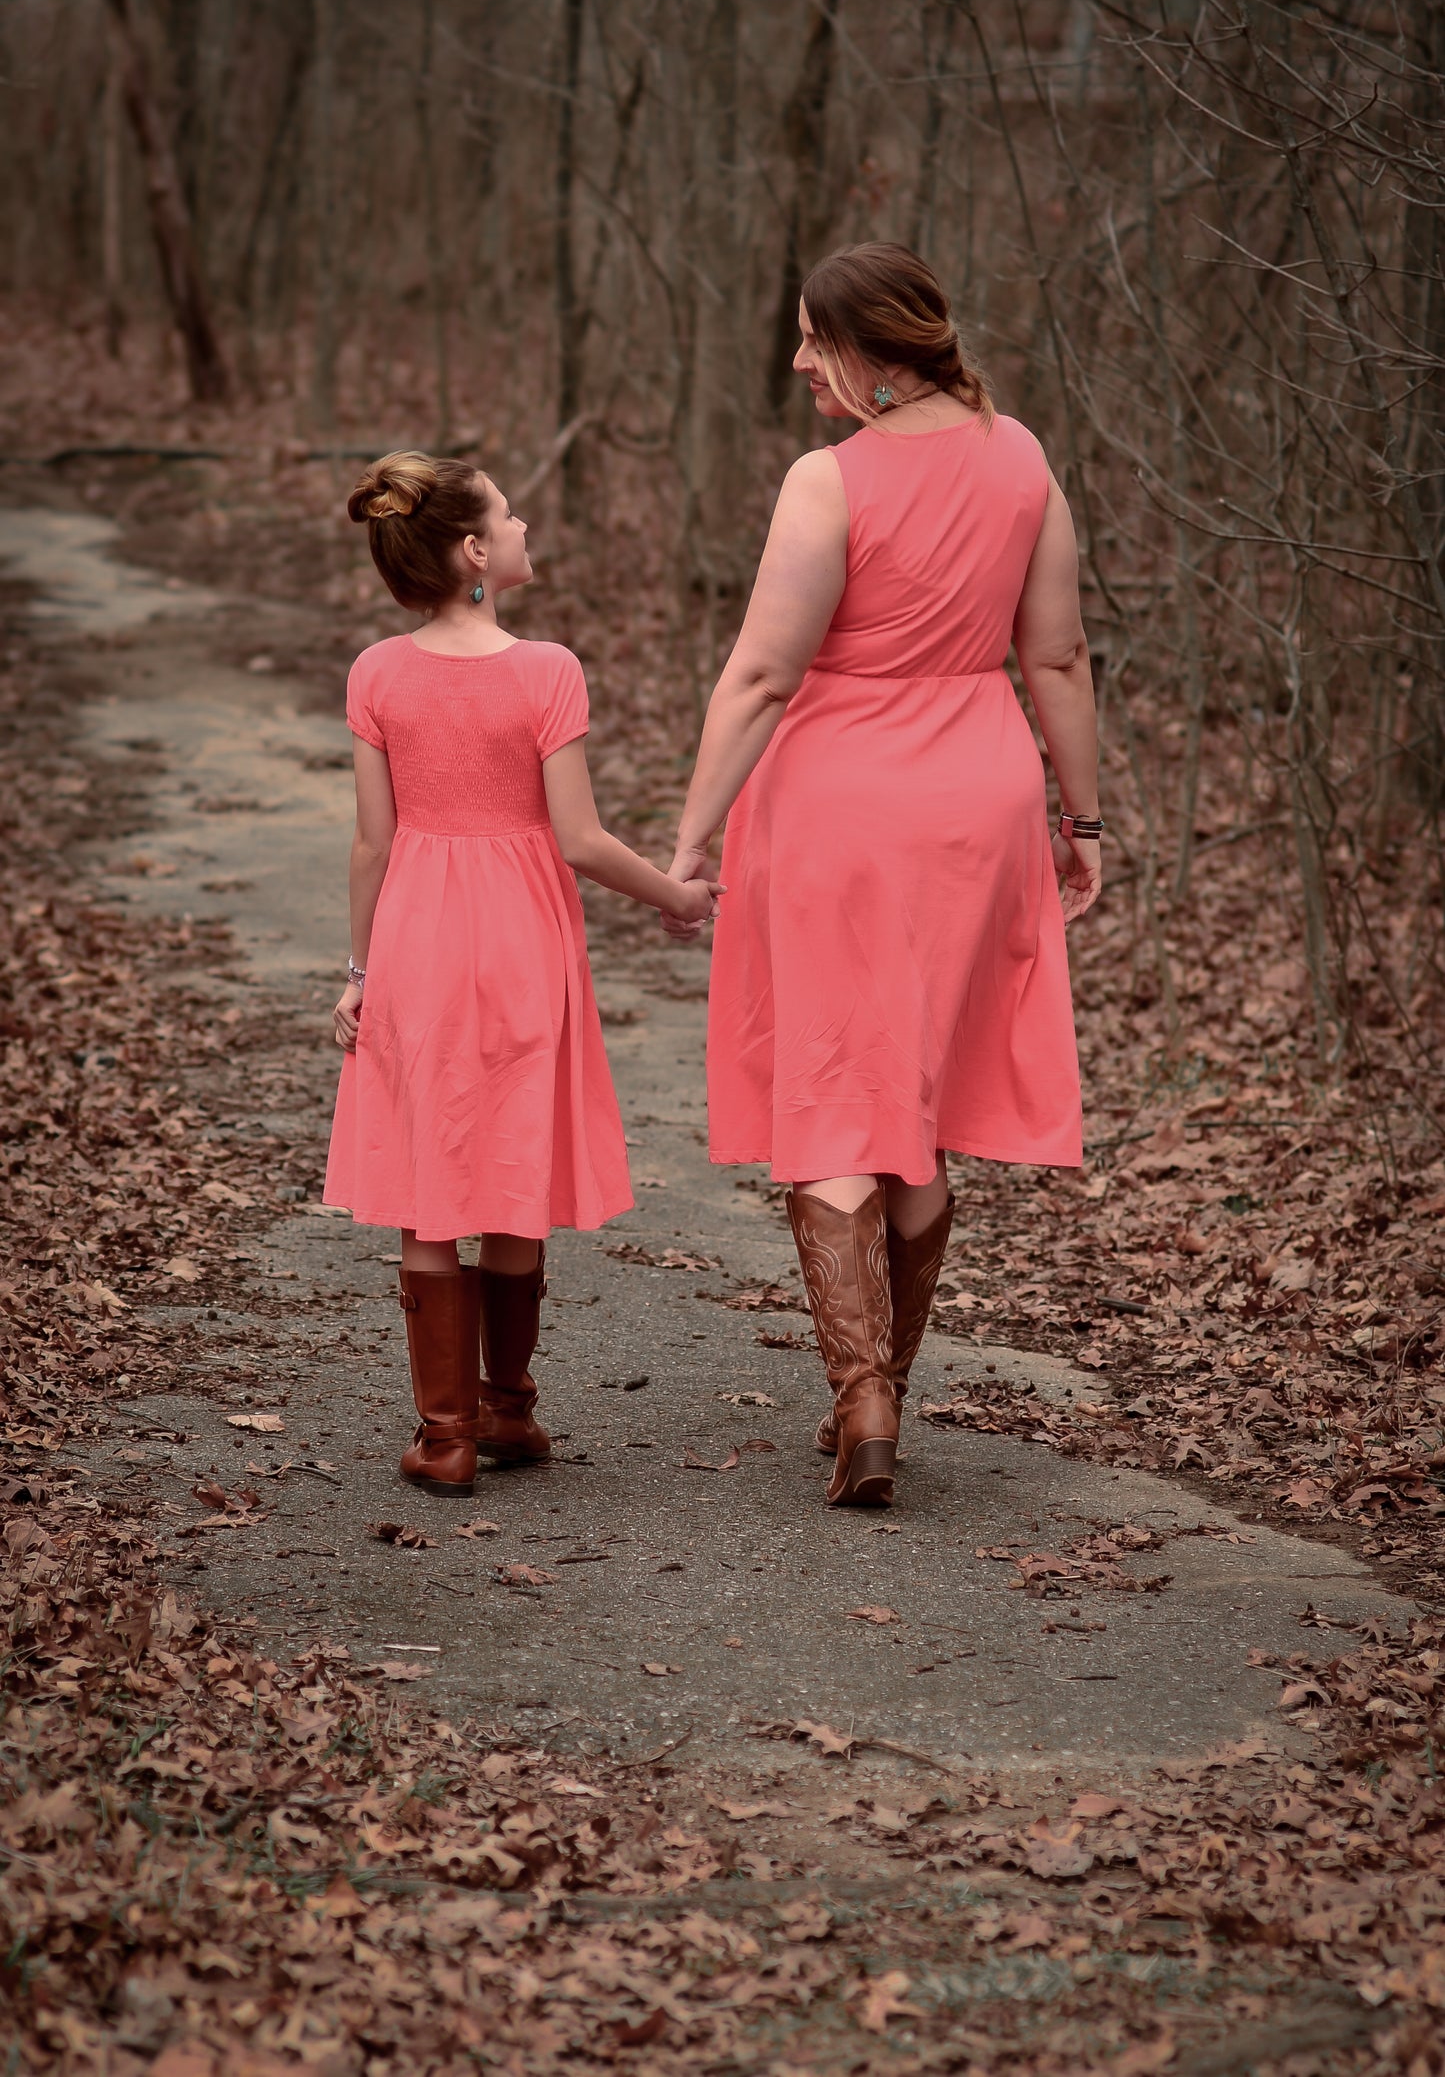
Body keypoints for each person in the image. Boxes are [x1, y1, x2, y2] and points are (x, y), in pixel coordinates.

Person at [665, 242, 1101, 1510]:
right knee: (911, 1092)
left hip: (841, 804)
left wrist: (689, 837)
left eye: (814, 339)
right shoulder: (1021, 457)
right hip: (977, 798)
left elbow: (762, 674)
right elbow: (1056, 657)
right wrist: (1083, 817)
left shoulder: (829, 480)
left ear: (876, 347)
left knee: (837, 1086)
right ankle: (880, 1388)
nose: (799, 361)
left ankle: (863, 1397)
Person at [324, 451, 721, 1498]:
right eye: (507, 516)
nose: (523, 526)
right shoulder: (547, 671)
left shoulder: (376, 673)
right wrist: (679, 896)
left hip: (417, 941)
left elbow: (372, 843)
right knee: (507, 1165)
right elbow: (579, 839)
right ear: (472, 553)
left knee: (429, 1183)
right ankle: (506, 1408)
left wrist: (360, 971)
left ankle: (445, 1434)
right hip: (523, 943)